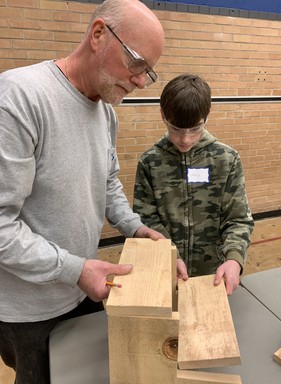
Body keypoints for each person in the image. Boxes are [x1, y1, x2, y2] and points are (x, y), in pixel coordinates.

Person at [0, 1, 187, 383]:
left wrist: (136, 228)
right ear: (99, 34)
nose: (139, 81)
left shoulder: (106, 113)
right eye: (137, 63)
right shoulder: (18, 99)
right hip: (29, 308)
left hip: (86, 288)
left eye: (148, 73)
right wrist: (76, 268)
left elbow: (106, 183)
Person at [133, 73, 254, 295]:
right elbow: (145, 220)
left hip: (214, 276)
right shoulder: (150, 162)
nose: (185, 139)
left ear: (206, 117)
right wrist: (170, 254)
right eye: (177, 129)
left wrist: (235, 259)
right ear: (163, 116)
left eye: (195, 129)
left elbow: (238, 219)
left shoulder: (226, 159)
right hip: (166, 272)